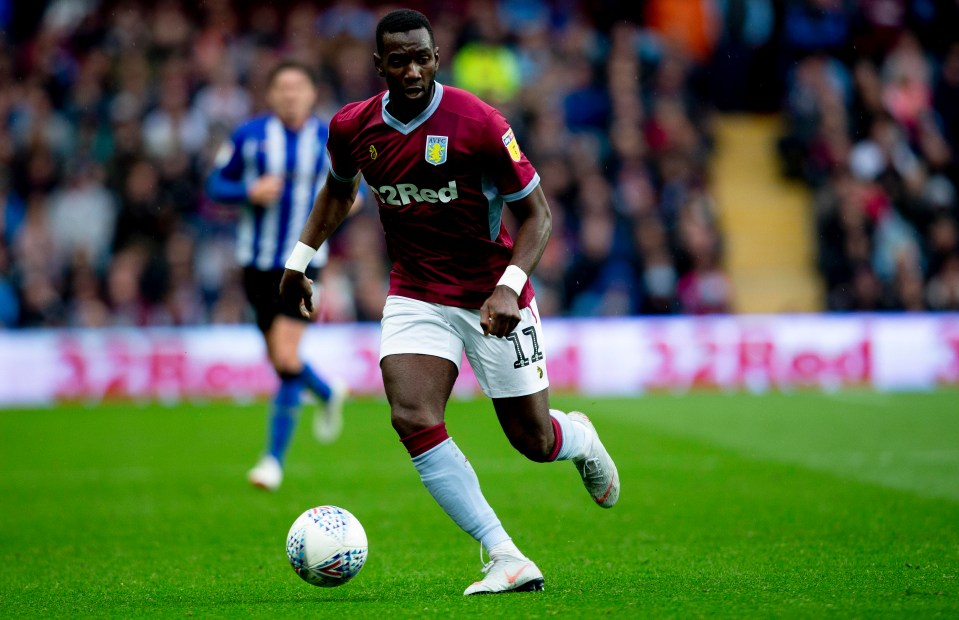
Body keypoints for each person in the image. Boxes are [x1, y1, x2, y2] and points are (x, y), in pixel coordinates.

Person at [278, 9, 620, 594]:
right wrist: (298, 258)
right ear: (380, 64)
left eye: (423, 57)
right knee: (411, 414)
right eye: (399, 60)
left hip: (492, 294)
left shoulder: (480, 123)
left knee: (534, 442)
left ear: (437, 58)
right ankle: (503, 554)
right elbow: (339, 191)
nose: (413, 70)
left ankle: (580, 438)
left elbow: (539, 216)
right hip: (415, 291)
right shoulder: (352, 127)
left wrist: (509, 286)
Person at [206, 59, 348, 492]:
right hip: (256, 263)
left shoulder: (328, 137)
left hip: (304, 262)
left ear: (311, 94)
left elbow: (355, 184)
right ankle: (326, 392)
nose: (291, 95)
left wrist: (349, 203)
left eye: (298, 87)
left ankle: (272, 461)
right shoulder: (248, 137)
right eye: (282, 88)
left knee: (286, 359)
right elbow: (215, 184)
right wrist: (248, 191)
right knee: (279, 359)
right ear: (270, 95)